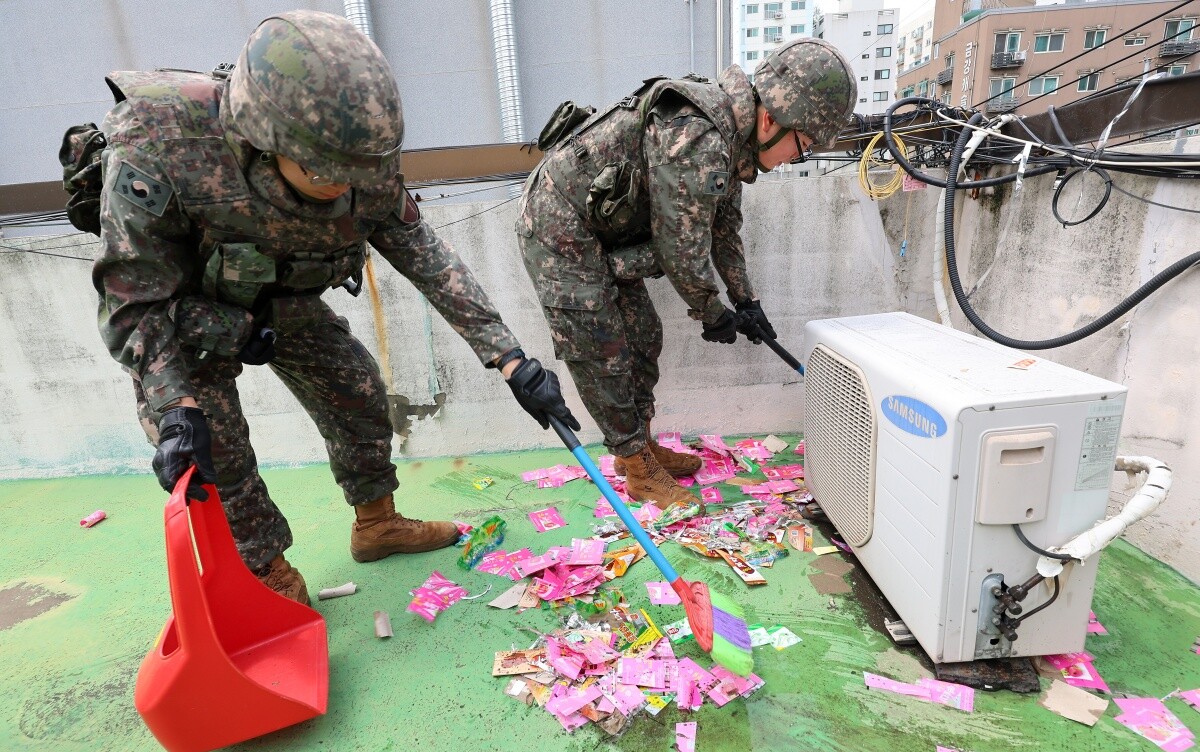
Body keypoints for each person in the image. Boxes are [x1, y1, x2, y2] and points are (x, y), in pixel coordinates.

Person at [91, 10, 576, 604]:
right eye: (324, 172)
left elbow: (426, 257)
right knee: (211, 442)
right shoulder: (164, 144)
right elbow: (131, 301)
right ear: (263, 138)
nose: (341, 187)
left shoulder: (355, 158)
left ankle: (376, 524)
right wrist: (174, 406)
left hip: (277, 292)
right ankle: (263, 572)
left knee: (357, 389)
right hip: (182, 314)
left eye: (355, 174)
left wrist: (511, 360)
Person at [514, 38, 857, 510]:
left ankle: (641, 446)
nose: (793, 161)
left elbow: (724, 229)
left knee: (644, 335)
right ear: (772, 119)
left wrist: (746, 302)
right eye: (803, 147)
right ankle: (637, 467)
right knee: (603, 347)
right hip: (560, 227)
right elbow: (682, 249)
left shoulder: (731, 139)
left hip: (606, 232)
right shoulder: (699, 135)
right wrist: (711, 313)